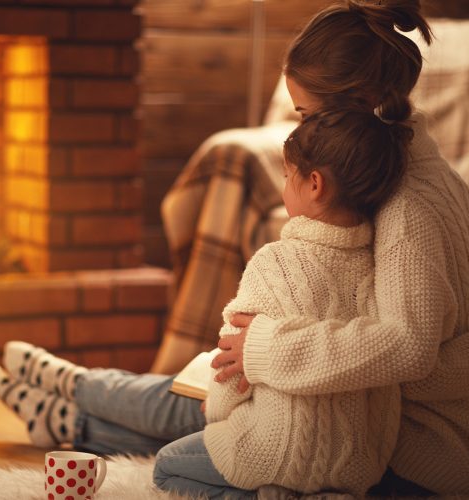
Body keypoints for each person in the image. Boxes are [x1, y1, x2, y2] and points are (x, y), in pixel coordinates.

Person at [0, 0, 469, 496]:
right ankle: (75, 401)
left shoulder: (406, 204)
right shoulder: (420, 171)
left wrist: (267, 351)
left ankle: (78, 400)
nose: (302, 131)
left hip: (428, 455)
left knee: (217, 403)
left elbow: (410, 346)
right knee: (218, 389)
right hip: (389, 411)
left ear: (361, 104)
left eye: (306, 115)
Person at [150, 109, 412, 499]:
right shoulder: (382, 267)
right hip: (361, 464)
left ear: (315, 184)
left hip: (276, 451)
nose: (284, 186)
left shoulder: (275, 263)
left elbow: (230, 368)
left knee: (167, 468)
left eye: (288, 176)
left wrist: (219, 413)